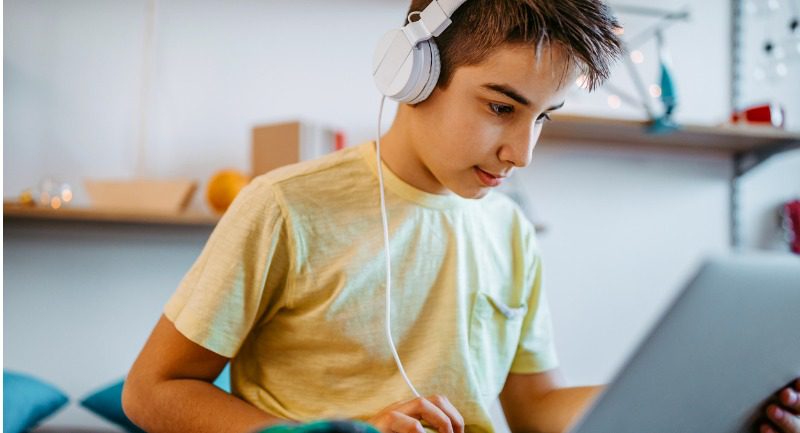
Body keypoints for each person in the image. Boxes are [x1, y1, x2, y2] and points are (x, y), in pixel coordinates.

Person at [121, 1, 800, 433]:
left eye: (544, 118)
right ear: (414, 73)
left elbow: (534, 411)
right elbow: (153, 390)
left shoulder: (508, 230)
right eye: (501, 107)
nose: (522, 152)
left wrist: (718, 404)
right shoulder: (284, 206)